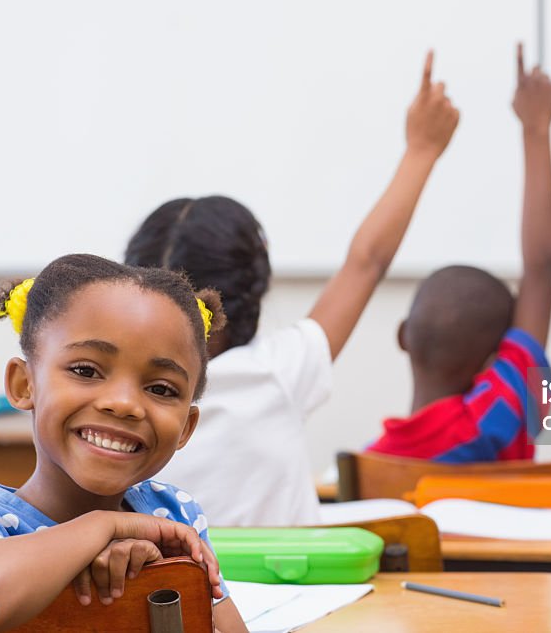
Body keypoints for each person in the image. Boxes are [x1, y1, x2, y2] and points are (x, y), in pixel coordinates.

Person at [124, 51, 459, 526]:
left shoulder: (115, 401)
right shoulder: (275, 371)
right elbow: (367, 261)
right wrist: (421, 149)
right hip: (291, 593)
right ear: (253, 284)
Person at [0, 254, 247, 632]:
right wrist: (105, 527)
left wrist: (157, 576)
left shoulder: (171, 514)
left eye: (160, 388)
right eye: (85, 370)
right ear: (25, 385)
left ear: (186, 427)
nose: (123, 404)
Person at [367, 44, 551, 461]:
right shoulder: (499, 414)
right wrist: (536, 128)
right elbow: (542, 269)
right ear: (495, 362)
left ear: (403, 337)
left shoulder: (372, 462)